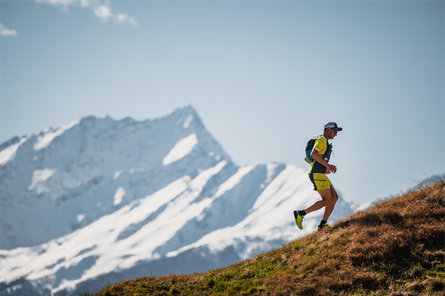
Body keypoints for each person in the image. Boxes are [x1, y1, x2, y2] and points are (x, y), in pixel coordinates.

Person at [294, 122, 342, 231]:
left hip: (319, 173)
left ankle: (323, 225)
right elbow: (313, 155)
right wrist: (328, 165)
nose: (336, 134)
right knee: (327, 201)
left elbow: (307, 159)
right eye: (335, 131)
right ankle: (300, 213)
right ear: (328, 130)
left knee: (334, 197)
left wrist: (324, 168)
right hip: (317, 174)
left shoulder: (323, 141)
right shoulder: (322, 140)